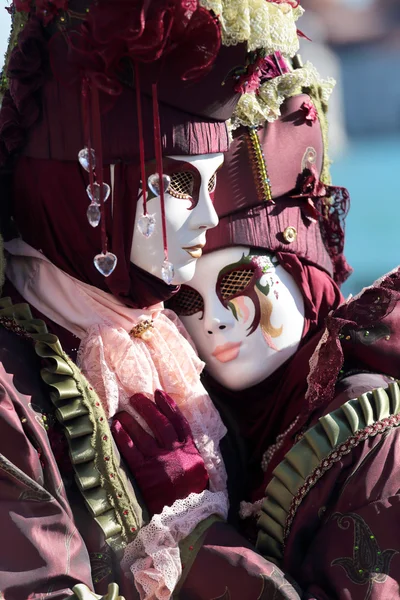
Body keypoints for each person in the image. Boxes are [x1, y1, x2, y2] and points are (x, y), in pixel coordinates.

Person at [0, 0, 311, 598]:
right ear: (92, 184)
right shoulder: (11, 391)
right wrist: (195, 540)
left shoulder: (171, 349)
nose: (210, 217)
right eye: (179, 183)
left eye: (213, 182)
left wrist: (196, 525)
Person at [168, 79, 400, 597]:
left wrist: (193, 534)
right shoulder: (224, 431)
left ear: (303, 271)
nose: (215, 321)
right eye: (187, 302)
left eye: (235, 284)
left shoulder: (371, 434)